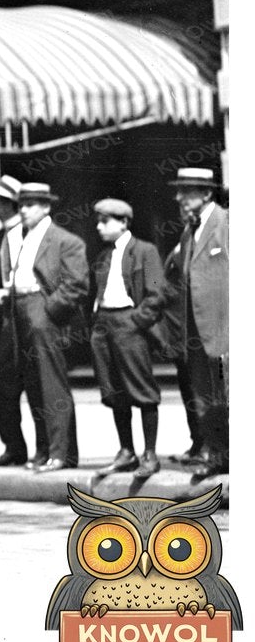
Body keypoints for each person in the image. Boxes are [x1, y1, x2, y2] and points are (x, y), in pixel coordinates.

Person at [0, 181, 87, 473]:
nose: (24, 211)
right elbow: (19, 276)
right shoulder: (23, 238)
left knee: (51, 383)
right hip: (20, 310)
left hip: (43, 311)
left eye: (31, 205)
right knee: (33, 384)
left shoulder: (64, 240)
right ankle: (43, 449)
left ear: (46, 207)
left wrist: (49, 309)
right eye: (22, 205)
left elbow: (77, 284)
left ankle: (61, 452)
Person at [87, 198, 166, 480]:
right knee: (113, 390)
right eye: (98, 221)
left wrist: (136, 321)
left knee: (141, 388)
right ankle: (126, 451)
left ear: (124, 223)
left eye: (105, 221)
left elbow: (157, 293)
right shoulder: (103, 255)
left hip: (128, 323)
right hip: (104, 324)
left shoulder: (145, 251)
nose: (99, 227)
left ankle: (150, 454)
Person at [161, 167, 228, 481]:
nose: (178, 198)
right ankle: (217, 458)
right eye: (177, 191)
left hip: (224, 330)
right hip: (196, 333)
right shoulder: (189, 231)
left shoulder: (227, 223)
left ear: (206, 194)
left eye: (185, 191)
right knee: (205, 398)